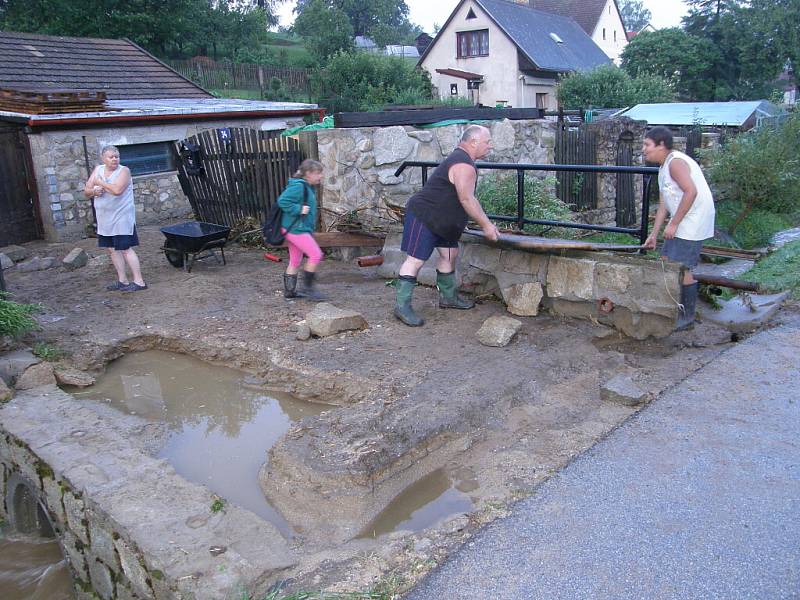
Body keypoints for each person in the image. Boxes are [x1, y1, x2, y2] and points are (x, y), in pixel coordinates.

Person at [394, 124, 500, 327]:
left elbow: (461, 198)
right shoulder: (463, 165)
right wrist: (487, 225)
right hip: (425, 216)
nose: (490, 146)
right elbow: (467, 199)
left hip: (444, 222)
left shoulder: (463, 160)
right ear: (473, 142)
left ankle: (448, 298)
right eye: (487, 142)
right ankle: (402, 306)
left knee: (449, 255)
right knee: (415, 260)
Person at [642, 126, 715, 330]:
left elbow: (691, 192)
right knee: (667, 261)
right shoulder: (663, 167)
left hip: (692, 220)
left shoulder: (675, 162)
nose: (643, 149)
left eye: (647, 144)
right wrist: (654, 234)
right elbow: (664, 205)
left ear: (661, 144)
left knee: (681, 268)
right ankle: (678, 310)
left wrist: (674, 224)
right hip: (684, 218)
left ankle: (686, 317)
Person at [83, 145, 147, 292]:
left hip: (122, 217)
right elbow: (86, 191)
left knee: (125, 248)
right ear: (103, 158)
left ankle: (139, 281)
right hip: (105, 218)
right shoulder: (98, 170)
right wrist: (94, 191)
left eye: (116, 156)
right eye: (111, 157)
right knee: (112, 249)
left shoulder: (124, 171)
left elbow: (117, 190)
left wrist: (100, 183)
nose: (114, 159)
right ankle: (122, 280)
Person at [277, 159, 325, 301]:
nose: (321, 176)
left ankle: (290, 292)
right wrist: (299, 209)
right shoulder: (299, 187)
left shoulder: (307, 186)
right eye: (318, 173)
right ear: (308, 174)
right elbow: (282, 201)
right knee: (316, 254)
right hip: (296, 229)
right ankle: (308, 289)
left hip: (296, 227)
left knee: (295, 260)